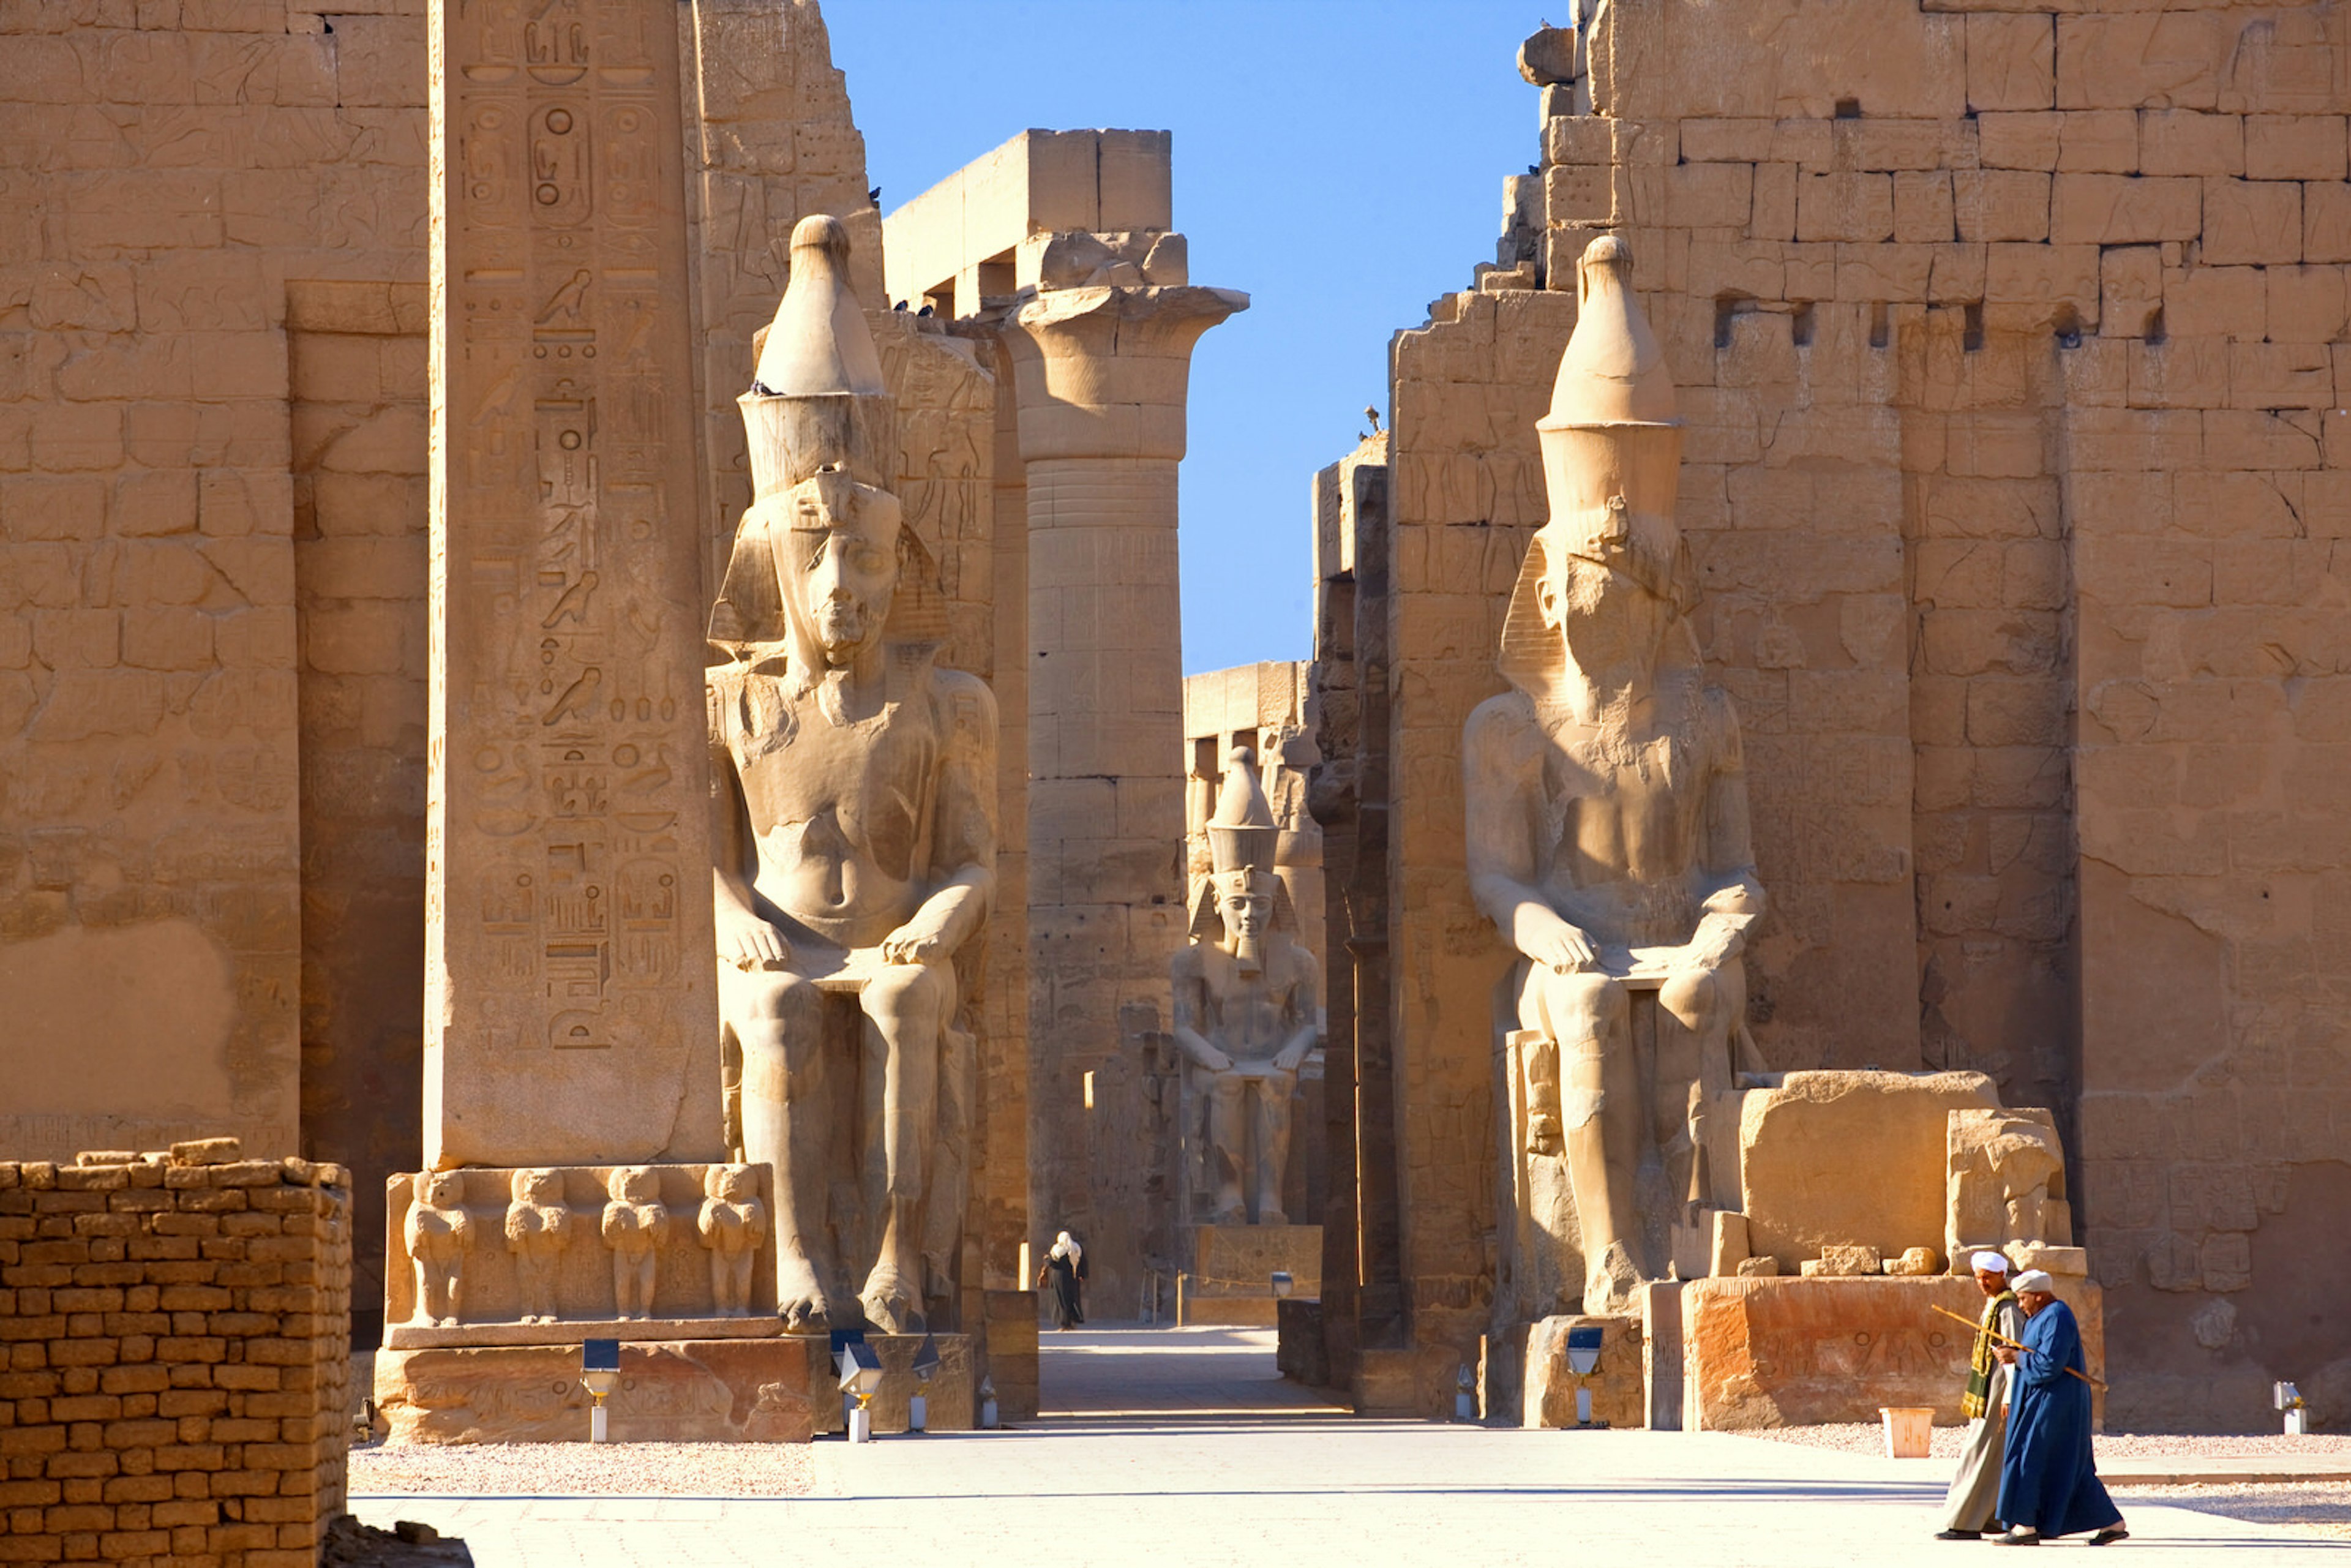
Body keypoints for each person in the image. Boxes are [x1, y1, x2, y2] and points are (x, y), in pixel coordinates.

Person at [1993, 1270, 2128, 1547]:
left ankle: (2026, 1526)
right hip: (2040, 1400)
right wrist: (2016, 1354)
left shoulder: (2057, 1315)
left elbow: (2049, 1365)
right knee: (2064, 1464)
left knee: (2032, 1457)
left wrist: (2016, 1357)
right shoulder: (2037, 1318)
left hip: (2055, 1403)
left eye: (2023, 1299)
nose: (2020, 1305)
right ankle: (2111, 1523)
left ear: (2039, 1295)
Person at [1936, 1252, 2023, 1540]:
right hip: (1987, 1389)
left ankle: (1964, 1521)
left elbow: (2014, 1354)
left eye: (1987, 1277)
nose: (1982, 1283)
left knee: (1981, 1452)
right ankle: (1991, 1518)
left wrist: (2010, 1395)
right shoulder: (1993, 1304)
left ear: (2001, 1276)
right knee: (1989, 1454)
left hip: (2000, 1391)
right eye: (1978, 1278)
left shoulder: (2008, 1307)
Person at [1037, 1232, 1086, 1330]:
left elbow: (1053, 1264)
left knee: (1062, 1301)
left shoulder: (1058, 1250)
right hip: (1073, 1278)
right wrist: (1082, 1275)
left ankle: (1065, 1324)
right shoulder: (1076, 1249)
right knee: (1072, 1299)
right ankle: (1072, 1321)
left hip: (1060, 1279)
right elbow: (1083, 1263)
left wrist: (1046, 1259)